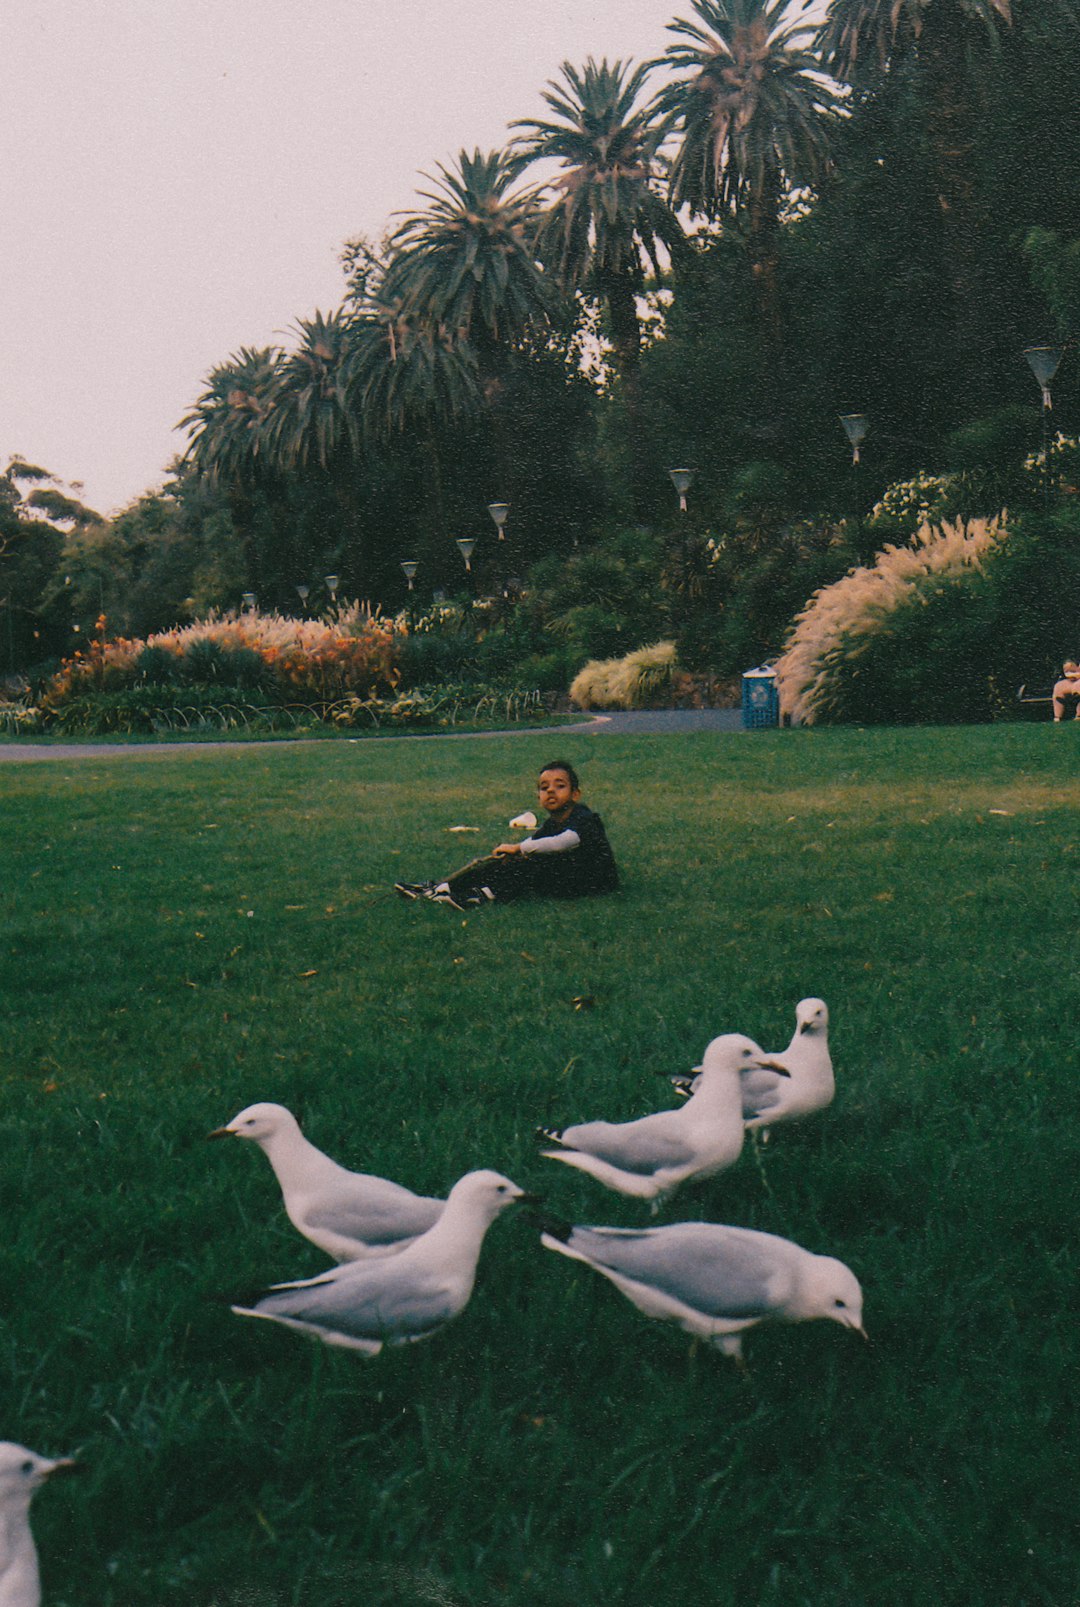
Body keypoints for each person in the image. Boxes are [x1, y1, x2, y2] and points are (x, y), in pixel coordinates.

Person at [394, 760, 618, 910]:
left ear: (575, 794)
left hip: (592, 882)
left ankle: (482, 895)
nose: (550, 791)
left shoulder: (585, 818)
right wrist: (515, 851)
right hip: (568, 877)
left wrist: (519, 849)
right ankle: (442, 888)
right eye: (544, 787)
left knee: (532, 866)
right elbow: (535, 842)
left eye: (559, 786)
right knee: (506, 863)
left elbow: (563, 843)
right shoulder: (552, 823)